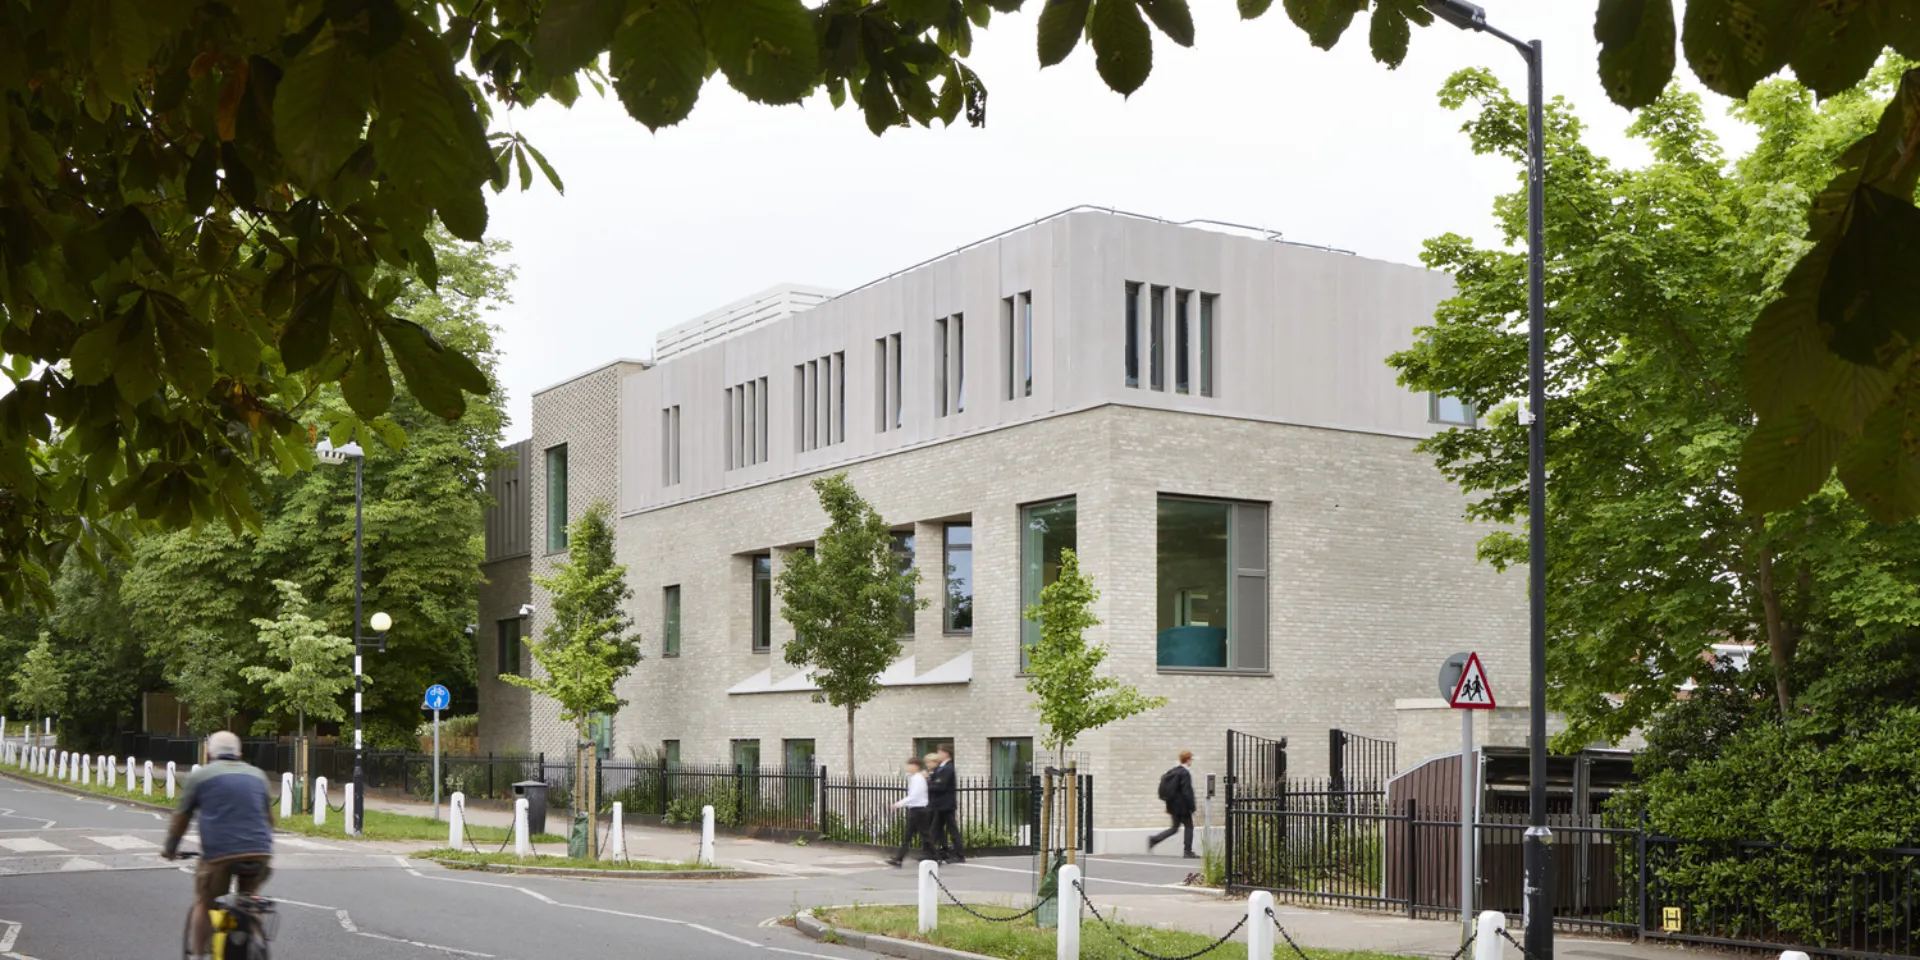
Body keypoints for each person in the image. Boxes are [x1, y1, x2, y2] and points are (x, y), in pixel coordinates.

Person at [164, 731, 275, 959]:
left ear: (209, 754)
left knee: (204, 902)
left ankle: (196, 955)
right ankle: (256, 938)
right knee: (249, 896)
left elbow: (181, 819)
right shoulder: (258, 775)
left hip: (219, 855)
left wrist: (170, 848)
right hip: (259, 851)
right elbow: (269, 819)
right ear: (239, 753)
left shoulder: (201, 776)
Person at [1148, 750, 1198, 858]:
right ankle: (1187, 851)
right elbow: (1186, 791)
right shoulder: (1185, 773)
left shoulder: (1174, 771)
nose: (1191, 761)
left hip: (1173, 806)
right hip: (1183, 807)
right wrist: (1192, 807)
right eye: (1191, 759)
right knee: (1189, 826)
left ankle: (1154, 839)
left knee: (1174, 828)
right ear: (1188, 759)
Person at [886, 757, 932, 867]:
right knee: (919, 835)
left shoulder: (918, 779)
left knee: (914, 835)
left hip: (918, 810)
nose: (907, 768)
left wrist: (898, 804)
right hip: (918, 809)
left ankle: (899, 859)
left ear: (915, 766)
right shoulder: (916, 778)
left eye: (909, 765)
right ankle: (899, 858)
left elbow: (914, 796)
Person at [926, 743, 965, 864]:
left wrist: (929, 784)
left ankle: (959, 855)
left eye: (939, 752)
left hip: (946, 805)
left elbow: (940, 785)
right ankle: (935, 853)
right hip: (939, 804)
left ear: (946, 753)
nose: (938, 754)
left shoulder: (948, 768)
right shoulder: (941, 768)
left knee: (952, 830)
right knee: (935, 829)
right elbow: (934, 780)